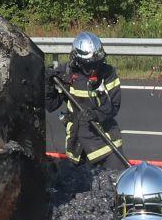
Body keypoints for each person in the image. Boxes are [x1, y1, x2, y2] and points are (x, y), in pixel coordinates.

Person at [51, 30, 126, 173]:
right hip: (76, 145)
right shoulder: (67, 72)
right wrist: (48, 83)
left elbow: (114, 107)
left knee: (116, 179)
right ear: (78, 60)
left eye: (97, 63)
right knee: (77, 183)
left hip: (105, 142)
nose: (94, 69)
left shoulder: (107, 73)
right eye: (90, 65)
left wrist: (96, 114)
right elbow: (51, 105)